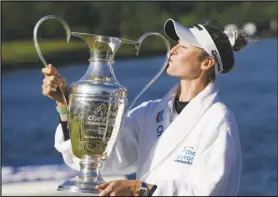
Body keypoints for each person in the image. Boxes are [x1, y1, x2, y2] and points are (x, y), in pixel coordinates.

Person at [42, 18, 249, 196]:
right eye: (175, 44)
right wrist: (65, 105)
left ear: (206, 63)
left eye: (183, 47)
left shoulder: (218, 119)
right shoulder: (150, 113)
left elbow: (210, 191)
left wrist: (138, 189)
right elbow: (101, 158)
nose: (172, 50)